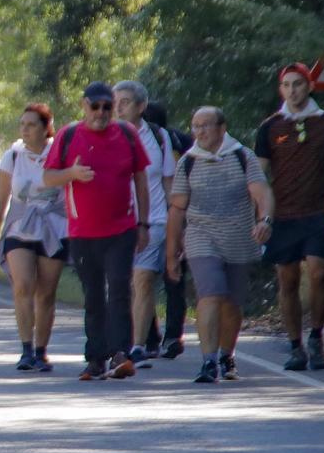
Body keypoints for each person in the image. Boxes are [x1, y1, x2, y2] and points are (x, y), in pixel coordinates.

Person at [44, 81, 151, 380]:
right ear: (84, 105)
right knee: (93, 295)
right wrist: (72, 174)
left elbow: (141, 180)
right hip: (82, 232)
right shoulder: (68, 135)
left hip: (122, 228)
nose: (101, 112)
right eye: (96, 106)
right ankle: (95, 357)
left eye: (108, 107)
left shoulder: (127, 135)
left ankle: (120, 353)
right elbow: (48, 177)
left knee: (118, 287)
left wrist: (144, 224)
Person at [255, 62, 324, 371]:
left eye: (298, 84)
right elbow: (259, 174)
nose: (293, 90)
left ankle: (316, 336)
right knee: (287, 280)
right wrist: (260, 217)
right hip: (283, 215)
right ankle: (296, 346)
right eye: (287, 85)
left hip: (318, 212)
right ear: (281, 89)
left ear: (309, 86)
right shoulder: (270, 127)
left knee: (318, 273)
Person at [167, 106, 272, 384]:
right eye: (195, 126)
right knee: (211, 293)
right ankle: (208, 361)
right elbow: (177, 209)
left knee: (232, 302)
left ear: (222, 128)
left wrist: (265, 220)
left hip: (238, 239)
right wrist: (171, 253)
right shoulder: (187, 161)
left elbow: (262, 193)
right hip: (201, 236)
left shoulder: (242, 156)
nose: (199, 131)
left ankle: (227, 354)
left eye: (206, 125)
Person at [0, 103, 66, 371]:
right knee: (22, 285)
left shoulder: (60, 154)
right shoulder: (12, 156)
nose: (25, 129)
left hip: (53, 228)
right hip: (19, 227)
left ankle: (42, 350)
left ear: (46, 128)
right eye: (22, 124)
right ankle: (26, 349)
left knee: (46, 293)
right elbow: (1, 199)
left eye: (31, 125)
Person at [114, 80, 177, 366]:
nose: (118, 107)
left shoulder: (159, 137)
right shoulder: (106, 136)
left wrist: (178, 225)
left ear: (141, 106)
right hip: (114, 224)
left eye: (125, 101)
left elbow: (168, 183)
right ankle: (120, 342)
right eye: (116, 101)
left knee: (143, 280)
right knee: (121, 285)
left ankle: (137, 346)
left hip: (153, 222)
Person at [140, 100, 190, 358]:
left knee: (142, 282)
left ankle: (149, 337)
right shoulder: (182, 140)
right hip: (179, 214)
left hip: (154, 217)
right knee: (174, 281)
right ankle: (173, 336)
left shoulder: (150, 139)